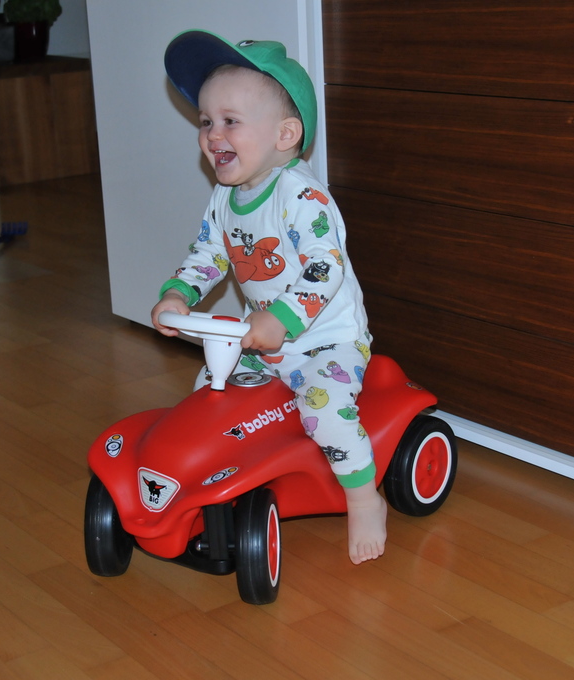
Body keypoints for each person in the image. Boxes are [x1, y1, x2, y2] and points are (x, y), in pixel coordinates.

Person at [151, 30, 385, 564]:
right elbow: (209, 253)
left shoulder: (301, 195)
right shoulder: (225, 197)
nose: (212, 135)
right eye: (205, 121)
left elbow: (326, 267)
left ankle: (363, 498)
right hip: (262, 340)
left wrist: (281, 318)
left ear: (285, 134)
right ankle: (222, 484)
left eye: (230, 121)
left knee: (325, 412)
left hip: (326, 341)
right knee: (210, 398)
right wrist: (178, 293)